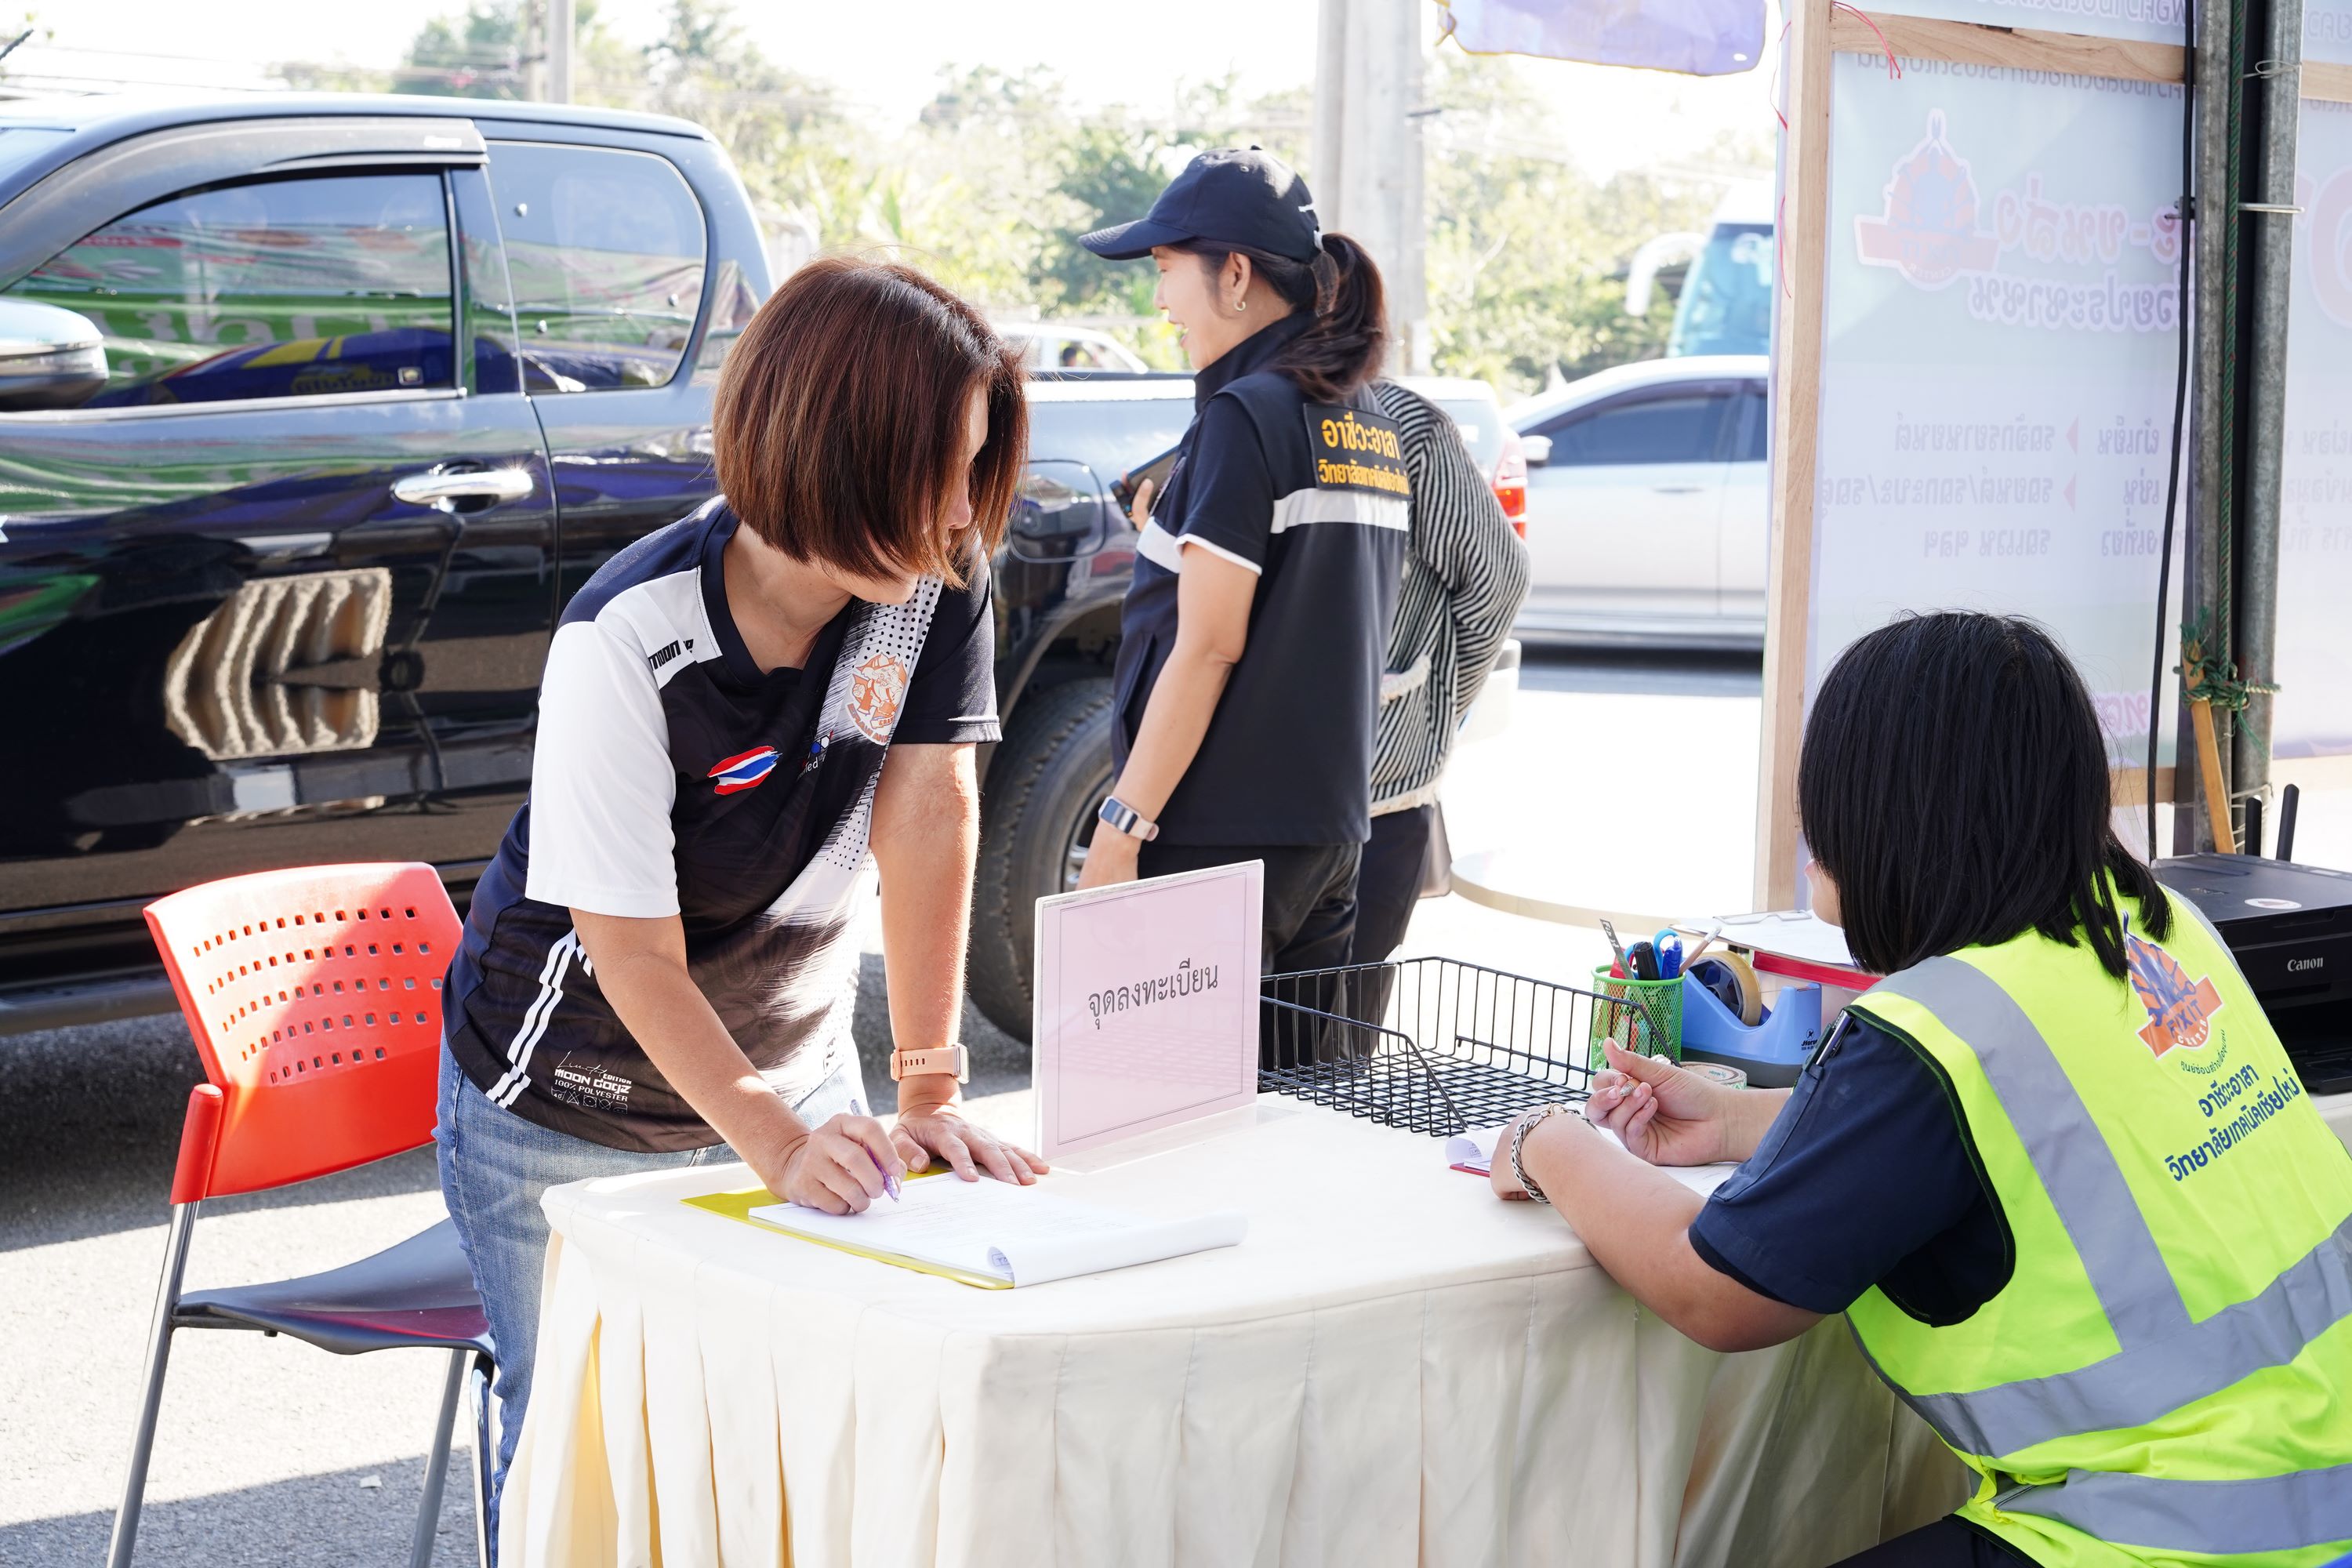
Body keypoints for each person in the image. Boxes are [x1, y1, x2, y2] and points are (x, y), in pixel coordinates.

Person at [1490, 612, 2352, 1568]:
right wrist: (1739, 1120)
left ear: (1890, 818)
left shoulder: (1939, 1026)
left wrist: (1547, 1141)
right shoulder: (2156, 926)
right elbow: (2046, 1142)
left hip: (2175, 1534)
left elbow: (1715, 1292)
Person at [435, 256, 1050, 1547]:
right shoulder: (627, 636)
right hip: (573, 1094)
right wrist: (772, 1145)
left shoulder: (934, 579)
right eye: (935, 471)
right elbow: (632, 958)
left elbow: (930, 816)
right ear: (835, 452)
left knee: (793, 1423)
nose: (959, 510)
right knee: (584, 1445)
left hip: (795, 1060)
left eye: (974, 469)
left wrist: (929, 1088)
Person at [1069, 147, 1407, 1063]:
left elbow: (1209, 645)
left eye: (1166, 268)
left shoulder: (1244, 416)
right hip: (1328, 837)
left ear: (1236, 275)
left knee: (1176, 1116)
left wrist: (1121, 828)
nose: (1160, 300)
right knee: (1296, 1121)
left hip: (1213, 841)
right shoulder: (1366, 420)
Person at [1353, 379, 1530, 968]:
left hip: (1378, 796)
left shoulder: (1404, 424)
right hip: (1259, 801)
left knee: (1335, 1016)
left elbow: (1498, 578)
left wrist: (1427, 709)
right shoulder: (1233, 410)